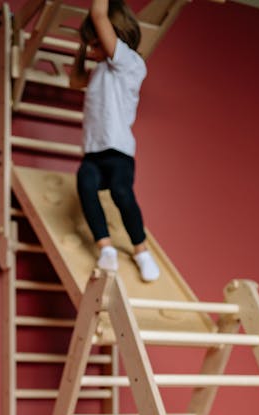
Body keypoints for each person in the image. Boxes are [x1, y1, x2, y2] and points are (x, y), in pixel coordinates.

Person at [70, 0, 160, 282]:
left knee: (122, 193)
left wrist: (99, 21)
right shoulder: (99, 71)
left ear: (116, 35)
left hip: (119, 152)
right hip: (94, 153)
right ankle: (105, 248)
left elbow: (99, 14)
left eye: (98, 43)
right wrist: (83, 48)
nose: (96, 50)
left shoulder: (129, 63)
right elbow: (74, 81)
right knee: (85, 183)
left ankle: (141, 250)